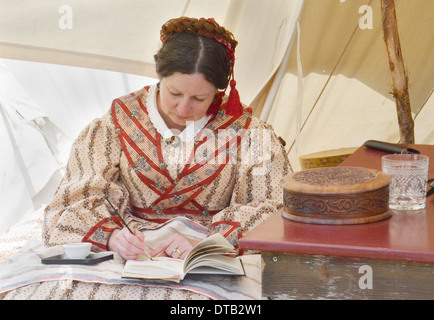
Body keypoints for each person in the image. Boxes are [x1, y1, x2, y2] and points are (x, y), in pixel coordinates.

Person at [5, 17, 291, 299]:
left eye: (199, 99)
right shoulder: (118, 122)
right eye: (174, 92)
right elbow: (78, 195)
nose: (182, 108)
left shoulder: (246, 132)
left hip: (206, 254)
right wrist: (113, 237)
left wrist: (208, 241)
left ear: (219, 91)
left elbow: (274, 205)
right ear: (159, 75)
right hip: (126, 249)